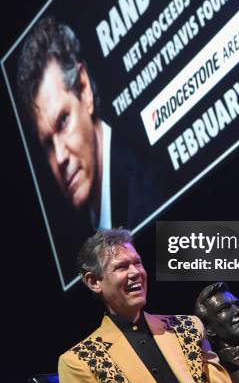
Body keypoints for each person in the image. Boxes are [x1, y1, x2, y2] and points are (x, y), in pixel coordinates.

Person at [58, 229, 239, 383]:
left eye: (138, 263)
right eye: (121, 267)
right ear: (94, 281)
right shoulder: (81, 360)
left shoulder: (187, 327)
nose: (135, 272)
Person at [16, 17, 156, 231]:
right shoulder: (88, 221)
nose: (60, 157)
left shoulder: (146, 197)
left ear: (85, 90)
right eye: (47, 144)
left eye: (63, 121)